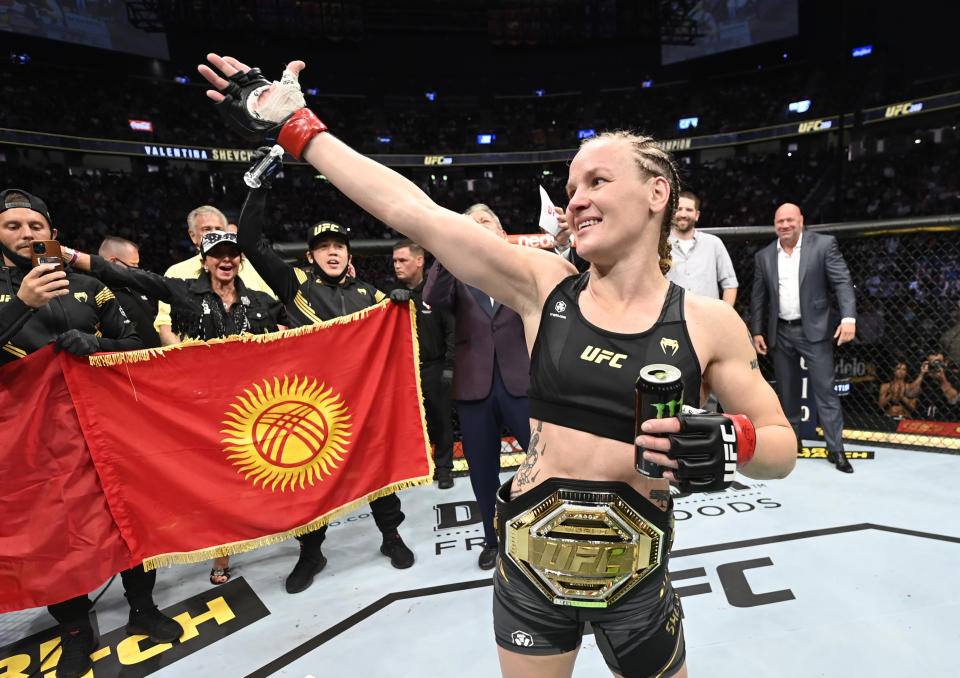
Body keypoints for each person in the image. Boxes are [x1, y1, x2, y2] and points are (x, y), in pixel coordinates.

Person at [198, 55, 796, 678]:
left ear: (656, 192)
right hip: (531, 569)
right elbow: (416, 213)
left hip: (638, 576)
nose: (577, 201)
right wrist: (300, 128)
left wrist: (737, 443)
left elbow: (782, 445)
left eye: (596, 181)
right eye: (571, 190)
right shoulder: (545, 286)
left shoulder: (707, 322)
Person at [0, 188, 182, 678]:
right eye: (13, 226)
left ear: (52, 234)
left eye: (35, 226)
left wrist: (95, 343)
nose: (26, 234)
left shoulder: (86, 283)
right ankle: (77, 630)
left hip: (106, 427)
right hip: (36, 442)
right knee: (56, 539)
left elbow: (135, 340)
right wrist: (20, 304)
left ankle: (143, 609)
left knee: (130, 518)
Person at [63, 230, 290, 587]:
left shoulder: (262, 300)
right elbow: (124, 274)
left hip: (253, 404)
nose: (225, 260)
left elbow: (302, 329)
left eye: (232, 254)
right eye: (217, 254)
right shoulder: (184, 292)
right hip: (201, 407)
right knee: (218, 485)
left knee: (269, 470)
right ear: (205, 260)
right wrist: (69, 255)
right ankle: (221, 553)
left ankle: (292, 526)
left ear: (241, 260)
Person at [234, 173, 415, 595]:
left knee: (379, 471)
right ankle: (311, 551)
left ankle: (391, 535)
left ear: (348, 254)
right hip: (311, 411)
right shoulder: (293, 283)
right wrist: (259, 185)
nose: (332, 252)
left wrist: (400, 299)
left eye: (339, 246)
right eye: (323, 247)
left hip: (362, 405)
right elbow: (249, 239)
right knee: (310, 483)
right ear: (311, 256)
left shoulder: (370, 295)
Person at [423, 204, 532, 570]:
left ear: (501, 232)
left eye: (485, 221)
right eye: (469, 225)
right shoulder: (456, 272)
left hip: (523, 382)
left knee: (544, 461)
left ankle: (544, 531)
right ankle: (492, 538)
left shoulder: (523, 265)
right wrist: (446, 248)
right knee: (482, 471)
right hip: (474, 389)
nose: (478, 228)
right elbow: (432, 298)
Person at [751, 203, 857, 473]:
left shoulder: (823, 245)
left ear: (801, 220)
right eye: (779, 221)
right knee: (787, 393)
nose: (785, 225)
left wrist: (849, 318)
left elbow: (842, 281)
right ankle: (792, 443)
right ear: (774, 224)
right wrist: (757, 331)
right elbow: (759, 297)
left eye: (789, 220)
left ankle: (836, 449)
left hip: (815, 331)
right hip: (781, 332)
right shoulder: (764, 256)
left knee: (826, 391)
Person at [154, 204, 276, 346]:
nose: (214, 234)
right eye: (207, 229)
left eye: (219, 229)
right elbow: (166, 326)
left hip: (252, 355)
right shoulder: (176, 273)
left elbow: (274, 317)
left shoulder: (254, 269)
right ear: (192, 236)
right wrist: (181, 362)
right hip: (198, 360)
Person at [392, 239, 456, 489]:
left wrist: (450, 367)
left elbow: (451, 331)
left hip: (434, 365)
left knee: (440, 419)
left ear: (419, 261)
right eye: (395, 261)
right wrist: (390, 303)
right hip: (404, 370)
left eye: (403, 260)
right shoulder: (390, 296)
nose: (397, 266)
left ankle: (444, 469)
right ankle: (414, 469)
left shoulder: (436, 292)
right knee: (408, 422)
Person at [664, 190, 738, 305]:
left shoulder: (713, 243)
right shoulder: (661, 245)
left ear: (697, 215)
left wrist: (723, 316)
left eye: (689, 210)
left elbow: (730, 284)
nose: (683, 214)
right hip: (671, 319)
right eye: (679, 209)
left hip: (708, 318)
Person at [97, 236, 161, 348]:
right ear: (112, 262)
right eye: (132, 265)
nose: (137, 269)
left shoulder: (135, 286)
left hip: (156, 359)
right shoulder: (98, 293)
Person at [904, 350, 959, 420]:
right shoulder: (922, 375)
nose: (936, 365)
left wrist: (943, 380)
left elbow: (953, 400)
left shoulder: (952, 376)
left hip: (946, 420)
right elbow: (910, 394)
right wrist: (921, 374)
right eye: (933, 362)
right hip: (921, 418)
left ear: (946, 363)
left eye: (939, 362)